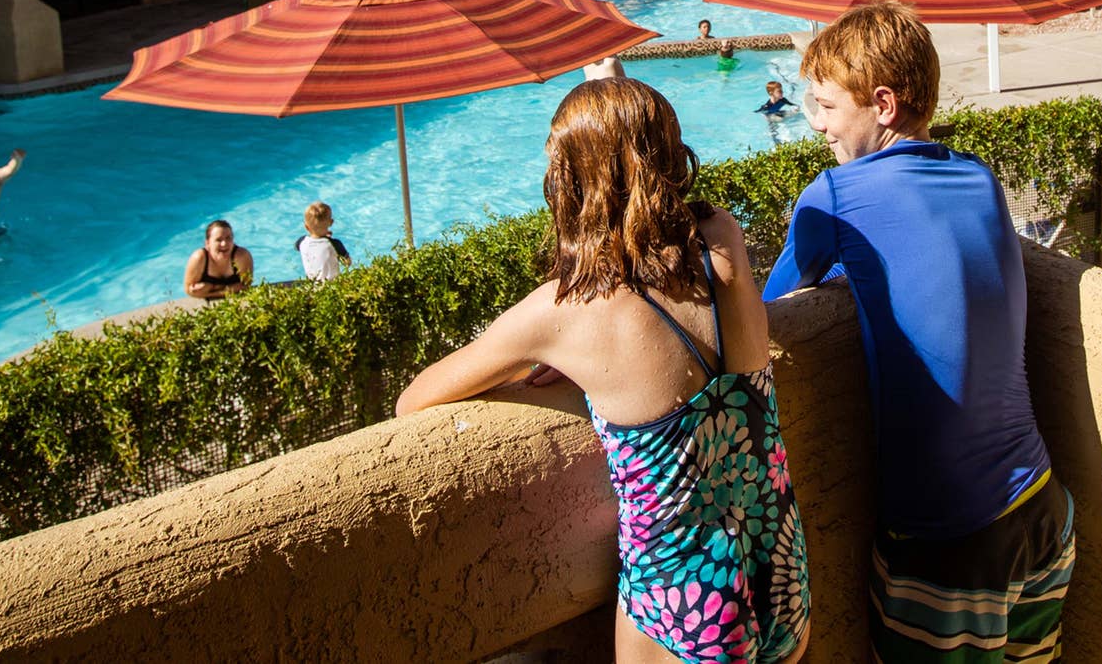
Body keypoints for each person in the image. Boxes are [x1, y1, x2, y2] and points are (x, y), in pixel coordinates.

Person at [397, 78, 811, 664]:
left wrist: (562, 352)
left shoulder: (563, 313)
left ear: (571, 183)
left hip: (683, 602)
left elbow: (413, 402)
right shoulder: (723, 238)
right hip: (779, 565)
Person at [760, 0, 1073, 663]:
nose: (815, 124)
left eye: (826, 106)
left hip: (948, 539)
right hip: (1043, 508)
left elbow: (767, 310)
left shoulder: (834, 196)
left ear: (882, 104)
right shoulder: (980, 178)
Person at [183, 220, 254, 301]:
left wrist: (212, 290)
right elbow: (189, 290)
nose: (224, 244)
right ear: (207, 243)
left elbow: (246, 286)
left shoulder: (241, 256)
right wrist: (231, 288)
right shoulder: (199, 258)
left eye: (228, 238)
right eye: (218, 240)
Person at [296, 201, 351, 282]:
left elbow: (314, 248)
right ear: (331, 222)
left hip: (312, 286)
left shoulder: (301, 242)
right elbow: (347, 263)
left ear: (306, 227)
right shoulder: (334, 244)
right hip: (334, 286)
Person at [756, 81, 796, 146]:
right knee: (774, 129)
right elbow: (758, 112)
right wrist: (766, 118)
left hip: (778, 112)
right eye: (779, 91)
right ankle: (778, 145)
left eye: (782, 90)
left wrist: (796, 108)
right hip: (770, 116)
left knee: (794, 113)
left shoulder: (783, 100)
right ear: (771, 93)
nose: (782, 92)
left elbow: (793, 105)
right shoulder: (767, 106)